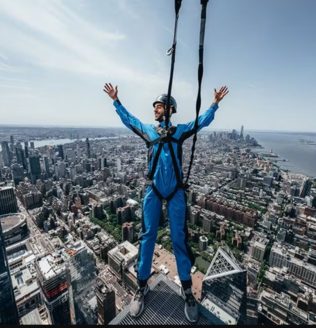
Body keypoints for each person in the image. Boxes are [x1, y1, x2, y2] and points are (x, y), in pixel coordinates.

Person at [103, 83, 229, 323]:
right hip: (153, 190)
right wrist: (116, 102)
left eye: (159, 107)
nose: (155, 110)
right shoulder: (151, 132)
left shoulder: (179, 132)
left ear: (169, 110)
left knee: (178, 239)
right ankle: (142, 287)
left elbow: (199, 123)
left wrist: (214, 104)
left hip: (175, 193)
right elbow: (131, 121)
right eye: (155, 107)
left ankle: (187, 290)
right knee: (148, 236)